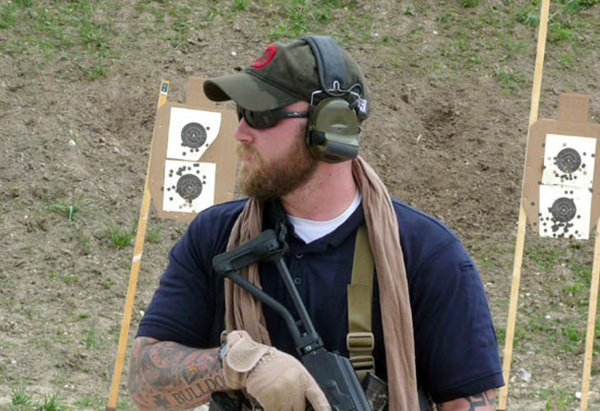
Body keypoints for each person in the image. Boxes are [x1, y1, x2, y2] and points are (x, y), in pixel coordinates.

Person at [128, 36, 504, 411]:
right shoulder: (216, 236)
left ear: (331, 125)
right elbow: (144, 381)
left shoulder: (428, 254)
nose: (241, 132)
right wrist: (235, 364)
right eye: (241, 113)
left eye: (260, 115)